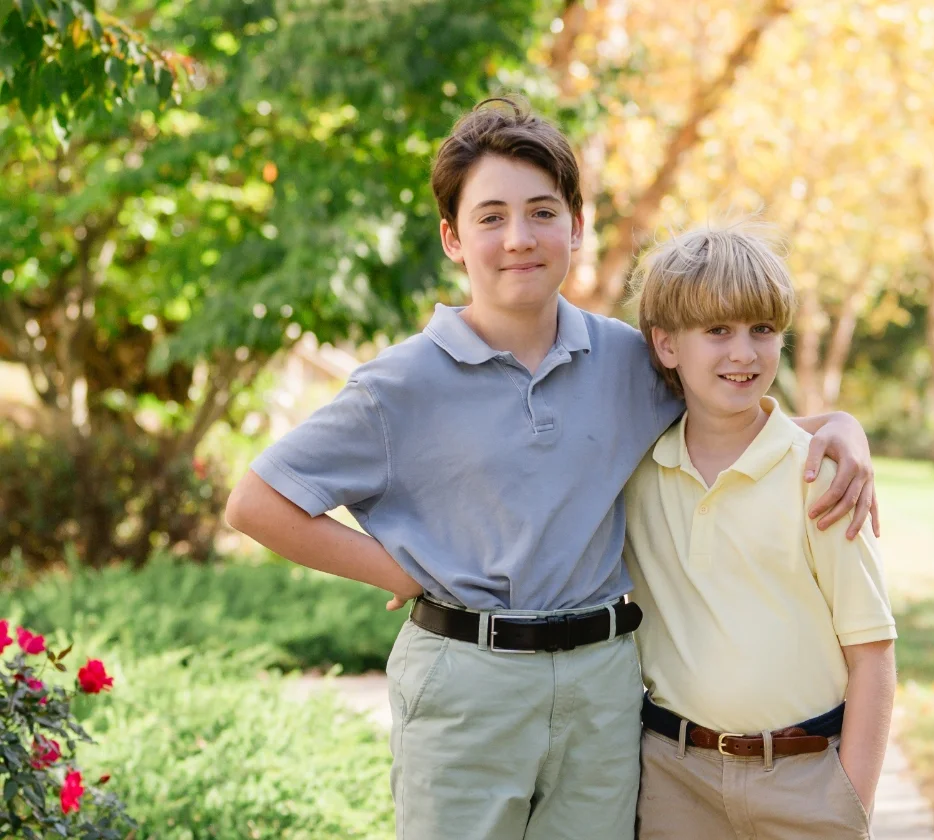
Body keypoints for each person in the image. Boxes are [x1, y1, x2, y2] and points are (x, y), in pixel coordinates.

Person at [224, 98, 880, 840]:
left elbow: (734, 406)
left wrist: (841, 429)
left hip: (602, 685)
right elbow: (256, 503)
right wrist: (398, 572)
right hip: (467, 681)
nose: (519, 238)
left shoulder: (630, 360)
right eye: (491, 217)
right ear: (452, 237)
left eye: (542, 212)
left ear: (576, 226)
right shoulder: (398, 386)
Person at [625, 223, 897, 840]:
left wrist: (849, 803)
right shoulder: (638, 473)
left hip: (806, 783)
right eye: (717, 331)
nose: (743, 354)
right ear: (667, 345)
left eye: (762, 330)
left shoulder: (821, 475)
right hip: (675, 780)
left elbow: (872, 653)